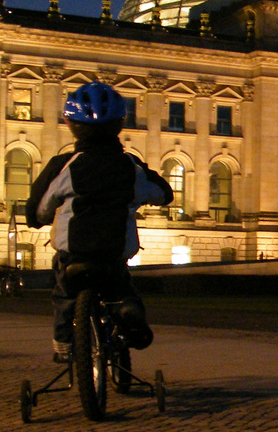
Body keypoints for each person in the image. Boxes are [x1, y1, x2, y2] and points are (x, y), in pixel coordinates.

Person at [26, 81, 174, 363]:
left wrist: (40, 219)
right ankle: (129, 310)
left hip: (74, 254)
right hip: (114, 252)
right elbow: (164, 194)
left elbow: (38, 209)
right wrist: (138, 198)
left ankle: (62, 345)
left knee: (64, 296)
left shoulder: (64, 165)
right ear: (120, 123)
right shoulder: (131, 167)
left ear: (69, 122)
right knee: (121, 288)